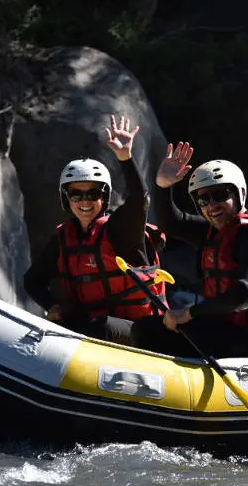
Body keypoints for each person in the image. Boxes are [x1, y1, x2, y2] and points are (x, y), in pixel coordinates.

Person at [129, 141, 248, 358]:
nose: (212, 205)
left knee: (149, 331)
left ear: (240, 194)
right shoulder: (216, 232)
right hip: (231, 333)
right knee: (149, 327)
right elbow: (172, 223)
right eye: (203, 200)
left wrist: (189, 313)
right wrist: (163, 185)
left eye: (221, 195)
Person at [23, 115, 167, 344]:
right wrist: (53, 306)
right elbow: (32, 280)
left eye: (93, 194)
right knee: (66, 324)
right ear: (66, 198)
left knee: (101, 326)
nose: (85, 201)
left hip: (141, 330)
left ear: (105, 197)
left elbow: (140, 199)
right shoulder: (63, 239)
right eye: (76, 194)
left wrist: (125, 158)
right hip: (90, 327)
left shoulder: (121, 229)